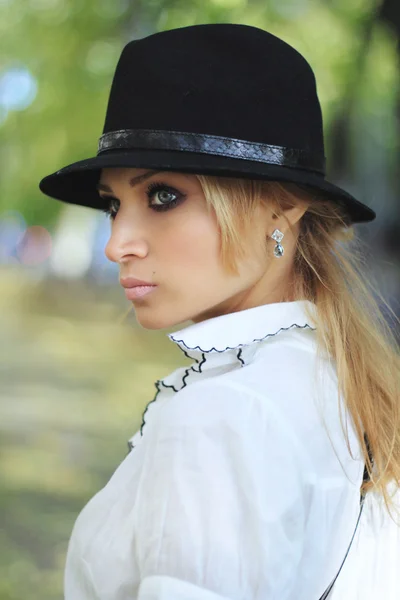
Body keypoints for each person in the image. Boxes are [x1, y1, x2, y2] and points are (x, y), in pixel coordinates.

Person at [38, 23, 400, 600]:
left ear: (280, 212)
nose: (117, 245)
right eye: (113, 205)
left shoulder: (228, 412)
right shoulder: (340, 380)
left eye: (162, 196)